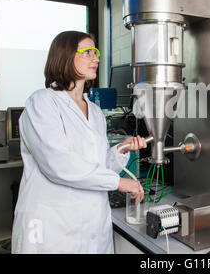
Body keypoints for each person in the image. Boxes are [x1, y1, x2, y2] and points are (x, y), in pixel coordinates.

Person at [11, 31, 146, 254]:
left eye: (97, 53)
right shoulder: (42, 102)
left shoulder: (94, 111)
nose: (97, 59)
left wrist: (120, 150)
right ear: (64, 56)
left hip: (93, 223)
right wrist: (119, 183)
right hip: (53, 227)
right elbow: (58, 164)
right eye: (88, 52)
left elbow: (95, 166)